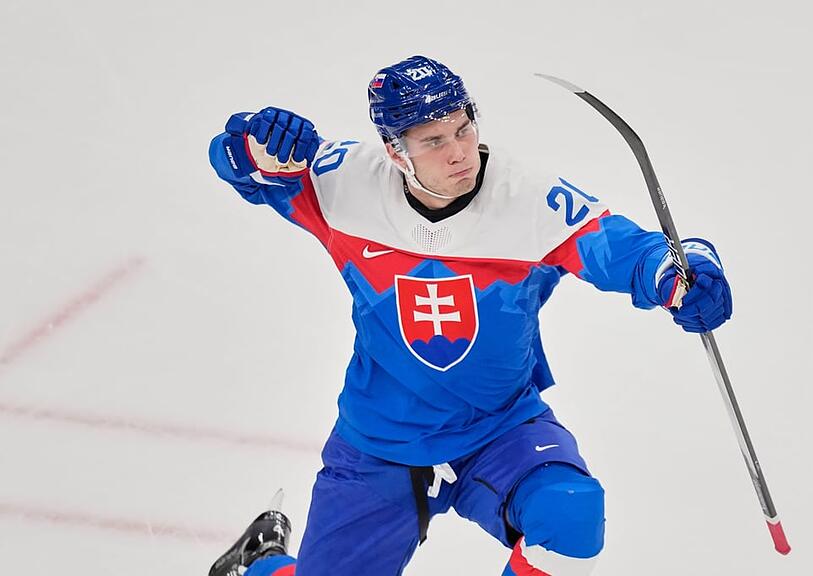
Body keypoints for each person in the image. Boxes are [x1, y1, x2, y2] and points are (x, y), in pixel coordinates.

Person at [206, 55, 732, 576]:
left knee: (570, 515)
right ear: (395, 151)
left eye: (463, 129)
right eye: (434, 141)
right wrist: (258, 143)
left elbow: (628, 250)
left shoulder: (529, 201)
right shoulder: (344, 183)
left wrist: (683, 271)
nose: (459, 152)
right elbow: (236, 161)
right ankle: (259, 566)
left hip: (499, 430)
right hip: (382, 441)